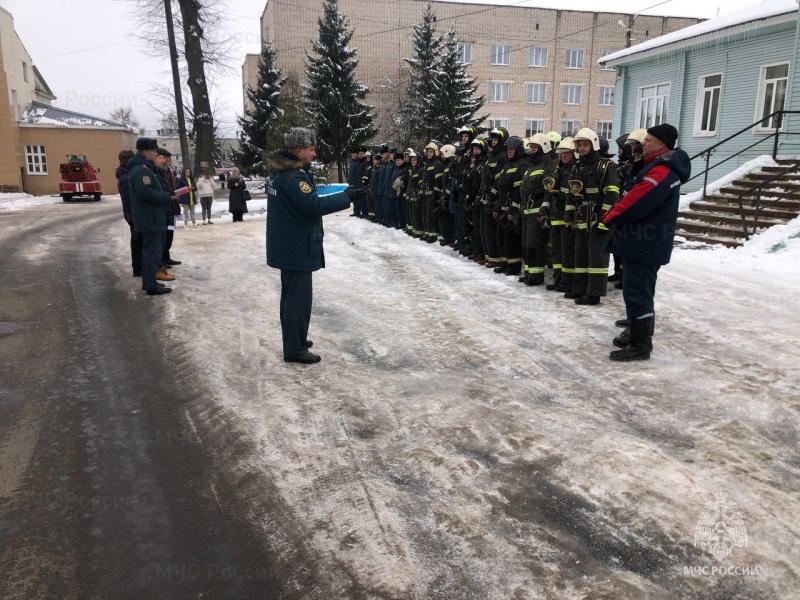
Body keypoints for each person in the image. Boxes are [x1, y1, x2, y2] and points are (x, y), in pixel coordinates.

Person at [266, 127, 366, 364]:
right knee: (298, 301)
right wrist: (347, 196)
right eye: (311, 150)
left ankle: (295, 339)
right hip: (295, 246)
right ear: (299, 151)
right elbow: (312, 206)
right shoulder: (293, 177)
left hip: (288, 245)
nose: (315, 154)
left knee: (290, 298)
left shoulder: (281, 173)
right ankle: (294, 349)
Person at [603, 123, 690, 361]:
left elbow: (637, 200)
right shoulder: (655, 165)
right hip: (640, 239)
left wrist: (610, 217)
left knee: (638, 291)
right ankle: (635, 329)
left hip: (645, 240)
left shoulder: (661, 171)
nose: (643, 143)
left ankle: (640, 345)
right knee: (636, 289)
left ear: (662, 144)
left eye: (649, 140)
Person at [567, 127, 619, 305]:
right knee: (580, 256)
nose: (582, 148)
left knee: (596, 257)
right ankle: (580, 289)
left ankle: (594, 294)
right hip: (582, 217)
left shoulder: (605, 166)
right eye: (579, 145)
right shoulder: (577, 166)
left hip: (598, 218)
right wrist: (569, 216)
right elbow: (571, 194)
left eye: (585, 145)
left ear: (593, 145)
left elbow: (612, 195)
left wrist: (605, 220)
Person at [129, 137, 174, 296]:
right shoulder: (142, 170)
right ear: (145, 152)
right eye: (154, 151)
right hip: (151, 218)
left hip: (151, 217)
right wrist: (165, 196)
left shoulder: (145, 168)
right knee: (152, 252)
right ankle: (151, 285)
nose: (156, 154)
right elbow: (146, 192)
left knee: (150, 251)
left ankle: (150, 282)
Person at [116, 150, 143, 277]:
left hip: (132, 214)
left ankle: (139, 267)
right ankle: (138, 268)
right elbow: (129, 200)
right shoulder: (126, 177)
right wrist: (134, 216)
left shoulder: (125, 175)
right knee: (137, 241)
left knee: (138, 240)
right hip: (133, 214)